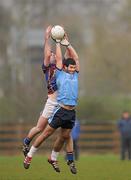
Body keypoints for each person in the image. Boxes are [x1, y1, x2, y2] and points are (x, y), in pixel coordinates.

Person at [23, 33, 79, 174]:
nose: (53, 54)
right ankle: (28, 151)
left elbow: (72, 58)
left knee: (66, 136)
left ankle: (58, 158)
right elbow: (55, 56)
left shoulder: (73, 72)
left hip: (69, 109)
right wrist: (52, 40)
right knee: (43, 131)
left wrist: (66, 42)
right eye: (70, 68)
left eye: (73, 68)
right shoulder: (53, 69)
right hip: (55, 104)